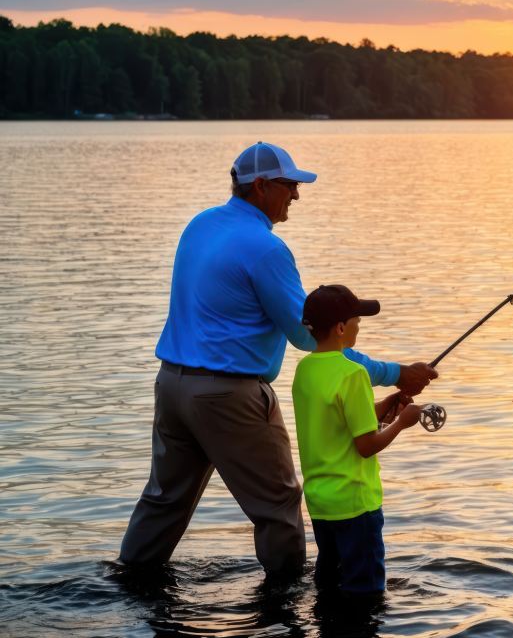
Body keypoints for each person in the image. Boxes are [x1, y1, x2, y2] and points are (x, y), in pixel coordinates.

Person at [119, 141, 437, 577]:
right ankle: (286, 605)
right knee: (279, 504)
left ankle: (127, 582)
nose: (296, 195)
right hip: (228, 395)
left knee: (164, 502)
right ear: (262, 185)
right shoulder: (266, 249)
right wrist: (396, 374)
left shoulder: (199, 225)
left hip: (171, 386)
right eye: (289, 186)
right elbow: (311, 337)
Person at [293, 284, 423, 596]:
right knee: (365, 593)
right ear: (340, 328)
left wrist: (380, 409)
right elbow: (366, 446)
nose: (359, 325)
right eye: (356, 320)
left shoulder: (304, 370)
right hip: (355, 504)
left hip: (321, 503)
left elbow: (333, 421)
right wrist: (403, 423)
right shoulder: (353, 374)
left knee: (330, 585)